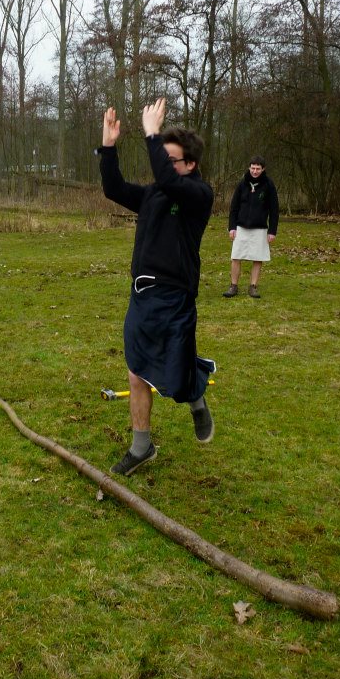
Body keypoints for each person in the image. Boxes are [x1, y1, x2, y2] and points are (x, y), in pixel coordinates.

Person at [98, 99, 215, 477]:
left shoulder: (199, 196)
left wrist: (151, 132)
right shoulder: (154, 194)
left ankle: (195, 396)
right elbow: (113, 187)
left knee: (174, 374)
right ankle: (141, 447)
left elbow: (168, 179)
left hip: (175, 296)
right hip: (141, 297)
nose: (163, 165)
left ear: (190, 165)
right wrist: (109, 147)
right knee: (137, 373)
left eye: (170, 159)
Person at [223, 156, 279, 299]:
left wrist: (272, 231)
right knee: (236, 256)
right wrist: (232, 227)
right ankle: (233, 286)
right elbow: (234, 207)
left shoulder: (268, 185)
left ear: (263, 169)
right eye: (252, 168)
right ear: (249, 168)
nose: (255, 171)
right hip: (241, 227)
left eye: (258, 168)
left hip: (260, 228)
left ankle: (253, 286)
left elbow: (274, 210)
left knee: (257, 258)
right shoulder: (242, 184)